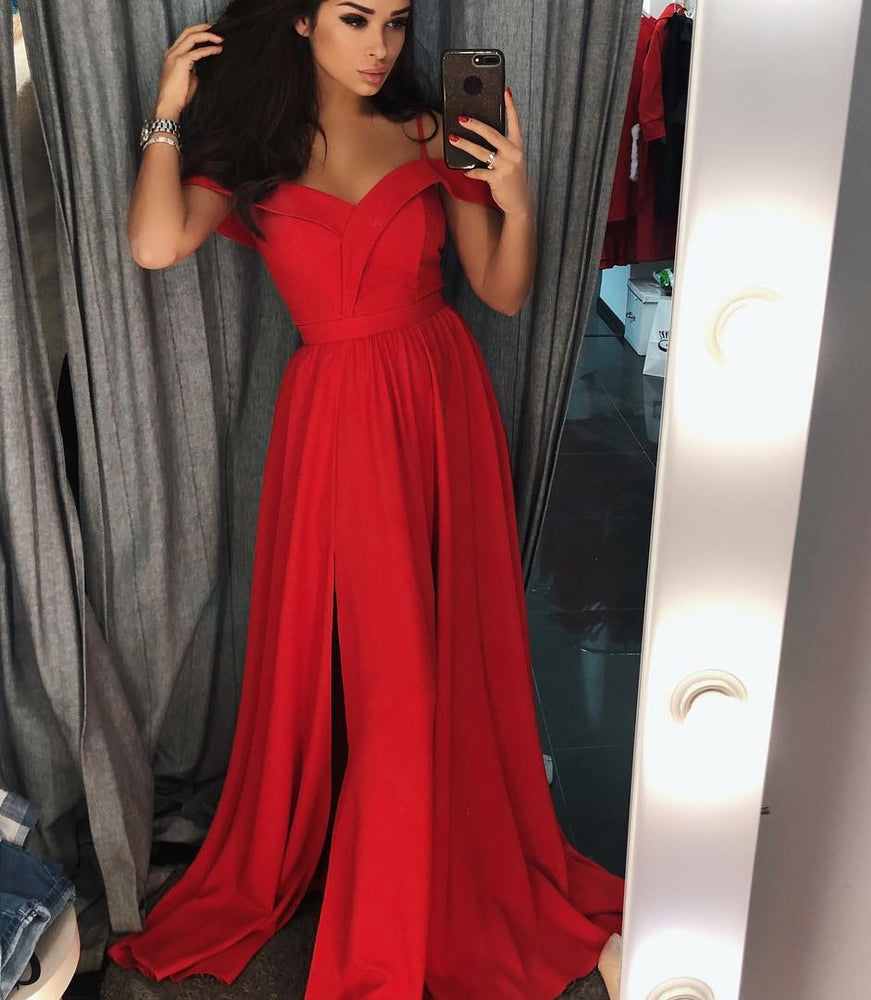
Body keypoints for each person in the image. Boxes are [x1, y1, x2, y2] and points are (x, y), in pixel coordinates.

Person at [110, 2, 625, 997]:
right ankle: (390, 921)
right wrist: (168, 111)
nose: (382, 45)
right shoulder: (251, 146)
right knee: (389, 684)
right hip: (336, 420)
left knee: (447, 660)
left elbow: (502, 291)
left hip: (440, 400)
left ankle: (446, 885)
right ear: (303, 23)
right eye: (355, 18)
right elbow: (155, 244)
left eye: (395, 20)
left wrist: (516, 200)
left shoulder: (430, 130)